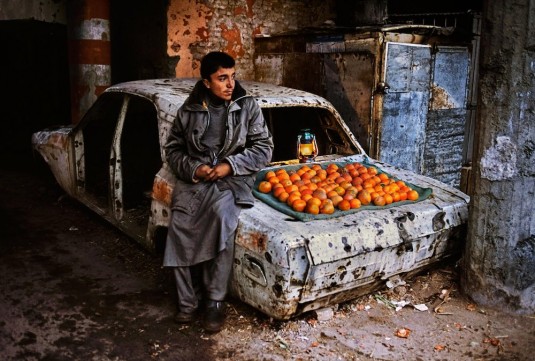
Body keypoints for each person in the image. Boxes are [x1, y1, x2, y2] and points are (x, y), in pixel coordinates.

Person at [163, 51, 274, 333]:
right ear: (206, 82)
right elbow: (173, 151)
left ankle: (214, 301)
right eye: (222, 78)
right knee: (178, 226)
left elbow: (264, 148)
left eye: (233, 77)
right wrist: (195, 169)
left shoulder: (247, 106)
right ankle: (187, 302)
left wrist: (229, 165)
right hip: (196, 181)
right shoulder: (188, 111)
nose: (230, 84)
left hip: (231, 180)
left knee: (224, 220)